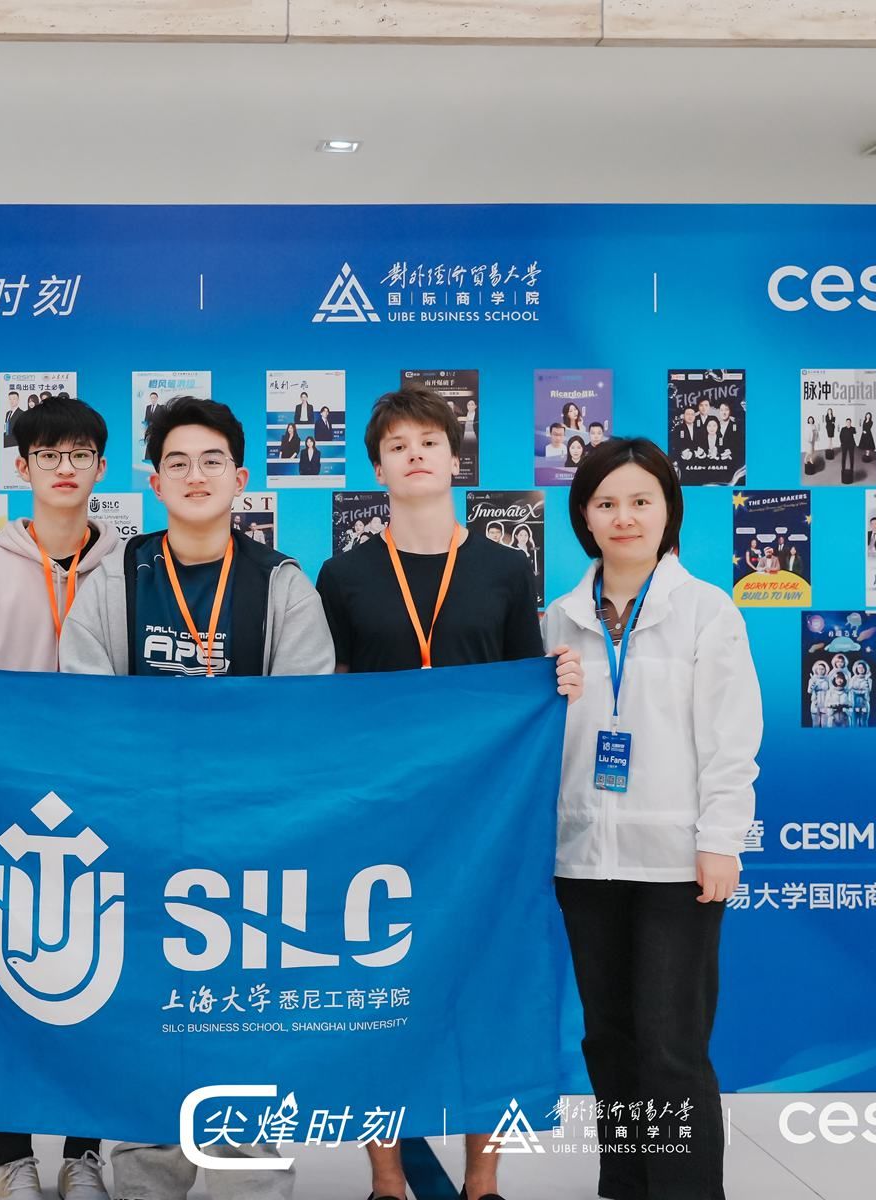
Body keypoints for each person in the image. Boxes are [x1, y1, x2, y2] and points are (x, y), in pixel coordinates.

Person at [315, 388, 582, 1200]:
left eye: (429, 441)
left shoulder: (505, 568)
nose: (416, 455)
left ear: (455, 456)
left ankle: (483, 1178)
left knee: (486, 985)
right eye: (397, 446)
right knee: (376, 990)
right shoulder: (345, 573)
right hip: (383, 813)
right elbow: (334, 697)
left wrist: (558, 678)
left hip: (482, 820)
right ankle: (387, 1178)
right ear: (378, 468)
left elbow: (525, 686)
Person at [61, 394, 330, 1200]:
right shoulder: (116, 577)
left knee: (246, 1023)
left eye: (213, 461)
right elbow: (86, 709)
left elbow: (304, 721)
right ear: (154, 483)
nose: (195, 475)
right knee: (151, 1023)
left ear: (241, 478)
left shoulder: (281, 584)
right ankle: (146, 1181)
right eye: (176, 462)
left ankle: (251, 1184)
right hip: (144, 846)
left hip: (250, 854)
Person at [547, 436, 761, 1200]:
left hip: (676, 865)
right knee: (607, 1042)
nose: (624, 517)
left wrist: (721, 842)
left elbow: (732, 742)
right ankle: (628, 1186)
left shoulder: (706, 611)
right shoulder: (559, 618)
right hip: (584, 863)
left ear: (669, 509)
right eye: (606, 503)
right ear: (584, 516)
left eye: (641, 500)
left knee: (672, 1047)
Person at [0, 394, 119, 1200]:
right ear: (21, 467)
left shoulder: (130, 567)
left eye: (79, 453)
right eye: (48, 454)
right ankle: (11, 1158)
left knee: (104, 976)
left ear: (101, 467)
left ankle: (84, 1153)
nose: (64, 467)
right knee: (6, 979)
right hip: (8, 806)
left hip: (103, 801)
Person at [839, 418, 858, 483]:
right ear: (846, 422)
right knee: (843, 457)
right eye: (847, 422)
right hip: (844, 445)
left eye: (849, 422)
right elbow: (840, 436)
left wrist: (854, 430)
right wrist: (842, 442)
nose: (848, 423)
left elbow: (855, 434)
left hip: (851, 445)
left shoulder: (853, 429)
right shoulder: (843, 429)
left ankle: (851, 469)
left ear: (850, 422)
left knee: (851, 457)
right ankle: (843, 469)